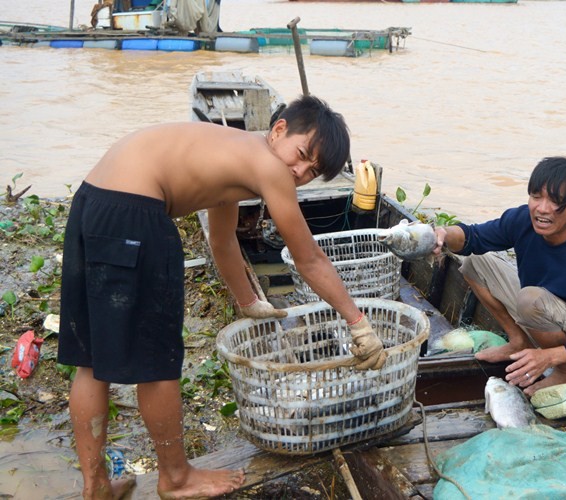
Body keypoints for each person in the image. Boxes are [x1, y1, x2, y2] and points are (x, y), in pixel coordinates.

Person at [57, 95, 386, 499]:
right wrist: (359, 323)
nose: (298, 172)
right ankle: (175, 478)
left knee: (91, 361)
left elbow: (222, 240)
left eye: (312, 172)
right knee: (157, 363)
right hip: (136, 213)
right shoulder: (269, 166)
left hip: (93, 201)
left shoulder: (235, 151)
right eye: (301, 155)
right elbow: (310, 259)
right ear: (279, 129)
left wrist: (249, 301)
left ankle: (96, 487)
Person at [433, 156, 566, 397]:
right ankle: (518, 341)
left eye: (555, 201)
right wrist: (440, 233)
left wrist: (549, 357)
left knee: (529, 298)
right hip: (540, 309)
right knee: (475, 262)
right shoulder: (523, 220)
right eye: (536, 196)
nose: (541, 208)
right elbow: (473, 237)